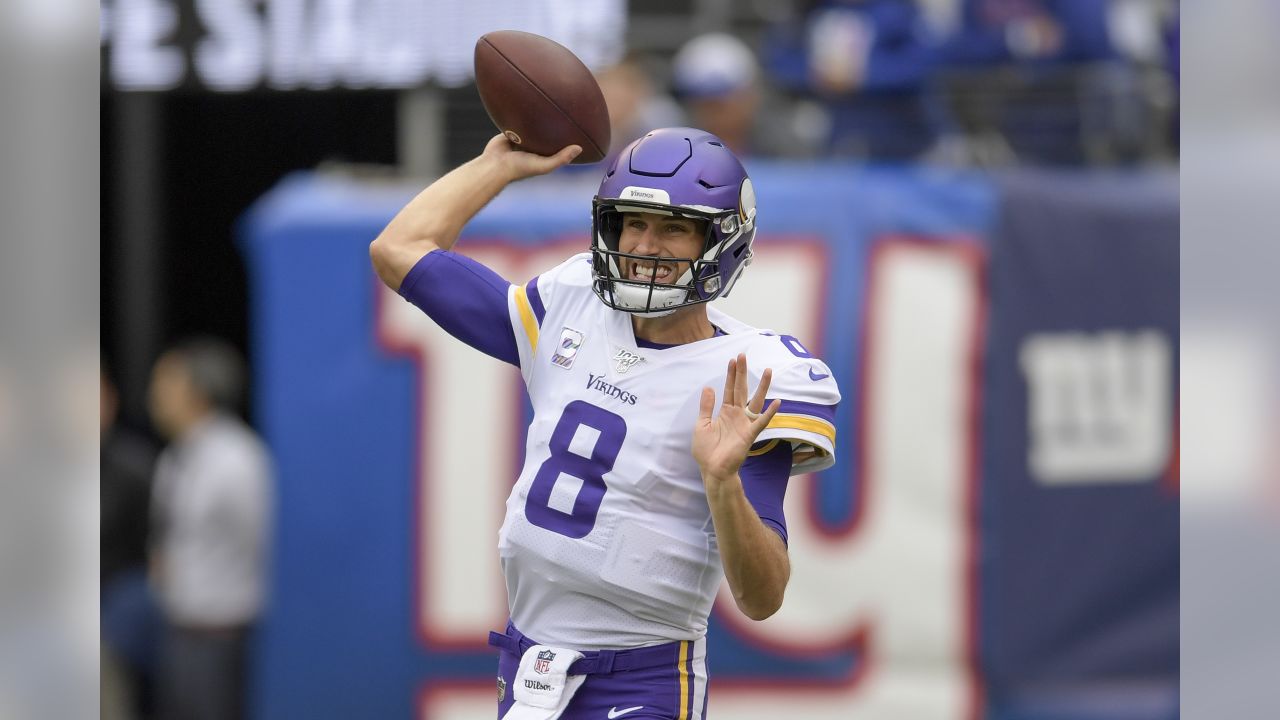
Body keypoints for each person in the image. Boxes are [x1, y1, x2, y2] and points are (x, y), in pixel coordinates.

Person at [369, 128, 840, 719]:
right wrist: (498, 168)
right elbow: (399, 249)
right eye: (633, 223)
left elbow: (762, 597)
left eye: (673, 227)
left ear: (720, 242)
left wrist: (722, 484)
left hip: (641, 681)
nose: (645, 244)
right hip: (528, 666)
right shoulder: (572, 306)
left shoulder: (753, 373)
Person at [147, 338, 272, 720]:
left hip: (223, 637)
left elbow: (261, 540)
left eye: (168, 384)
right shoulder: (175, 457)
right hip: (178, 630)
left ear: (198, 392)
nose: (155, 396)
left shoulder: (237, 459)